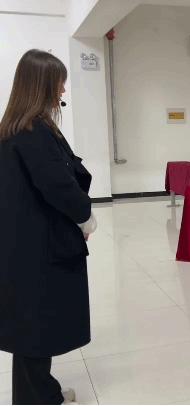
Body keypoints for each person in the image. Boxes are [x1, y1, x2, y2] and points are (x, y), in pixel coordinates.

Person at [0, 49, 94, 405]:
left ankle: (42, 391)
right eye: (59, 83)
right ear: (42, 85)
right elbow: (59, 187)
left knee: (31, 325)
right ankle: (37, 398)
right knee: (36, 327)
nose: (63, 90)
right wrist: (85, 217)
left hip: (22, 242)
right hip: (40, 245)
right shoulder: (34, 132)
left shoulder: (13, 129)